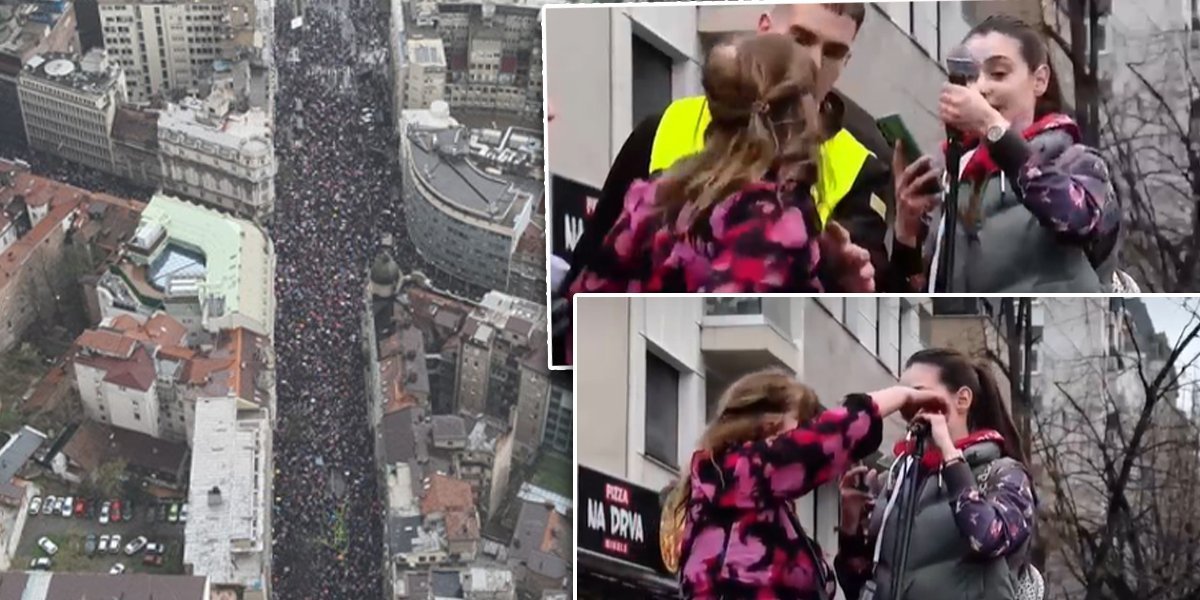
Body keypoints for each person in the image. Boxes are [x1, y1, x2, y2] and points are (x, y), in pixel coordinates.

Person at [564, 32, 874, 300]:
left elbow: (585, 289)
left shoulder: (656, 192)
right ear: (801, 117)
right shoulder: (771, 221)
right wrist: (834, 280)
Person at [661, 369, 951, 600]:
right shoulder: (732, 474)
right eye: (802, 424)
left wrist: (849, 521)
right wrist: (902, 395)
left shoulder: (760, 499)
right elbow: (834, 435)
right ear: (767, 422)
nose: (806, 434)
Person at [891, 15, 1120, 292]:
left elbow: (1078, 220)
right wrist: (906, 234)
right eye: (970, 77)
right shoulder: (950, 179)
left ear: (1040, 80)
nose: (982, 88)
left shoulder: (1077, 162)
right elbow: (917, 302)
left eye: (998, 74)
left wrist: (994, 130)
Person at [834, 348, 1040, 600]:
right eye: (903, 397)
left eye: (918, 394)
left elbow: (988, 539)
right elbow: (857, 585)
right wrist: (850, 526)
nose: (908, 407)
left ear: (962, 399)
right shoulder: (897, 481)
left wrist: (950, 457)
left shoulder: (1003, 473)